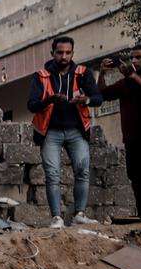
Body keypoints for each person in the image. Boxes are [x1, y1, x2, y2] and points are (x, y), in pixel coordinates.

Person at [26, 36, 103, 228]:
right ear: (52, 53)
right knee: (52, 175)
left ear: (72, 53)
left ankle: (79, 214)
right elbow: (32, 105)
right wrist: (49, 100)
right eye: (60, 52)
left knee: (82, 171)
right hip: (50, 132)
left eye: (68, 53)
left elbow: (98, 98)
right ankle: (56, 218)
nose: (64, 56)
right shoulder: (41, 75)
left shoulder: (82, 73)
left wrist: (85, 100)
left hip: (77, 131)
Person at [99, 44, 141, 220]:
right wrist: (102, 73)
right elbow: (103, 93)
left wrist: (132, 76)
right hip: (132, 136)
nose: (134, 61)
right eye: (132, 57)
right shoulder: (125, 82)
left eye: (139, 57)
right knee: (137, 177)